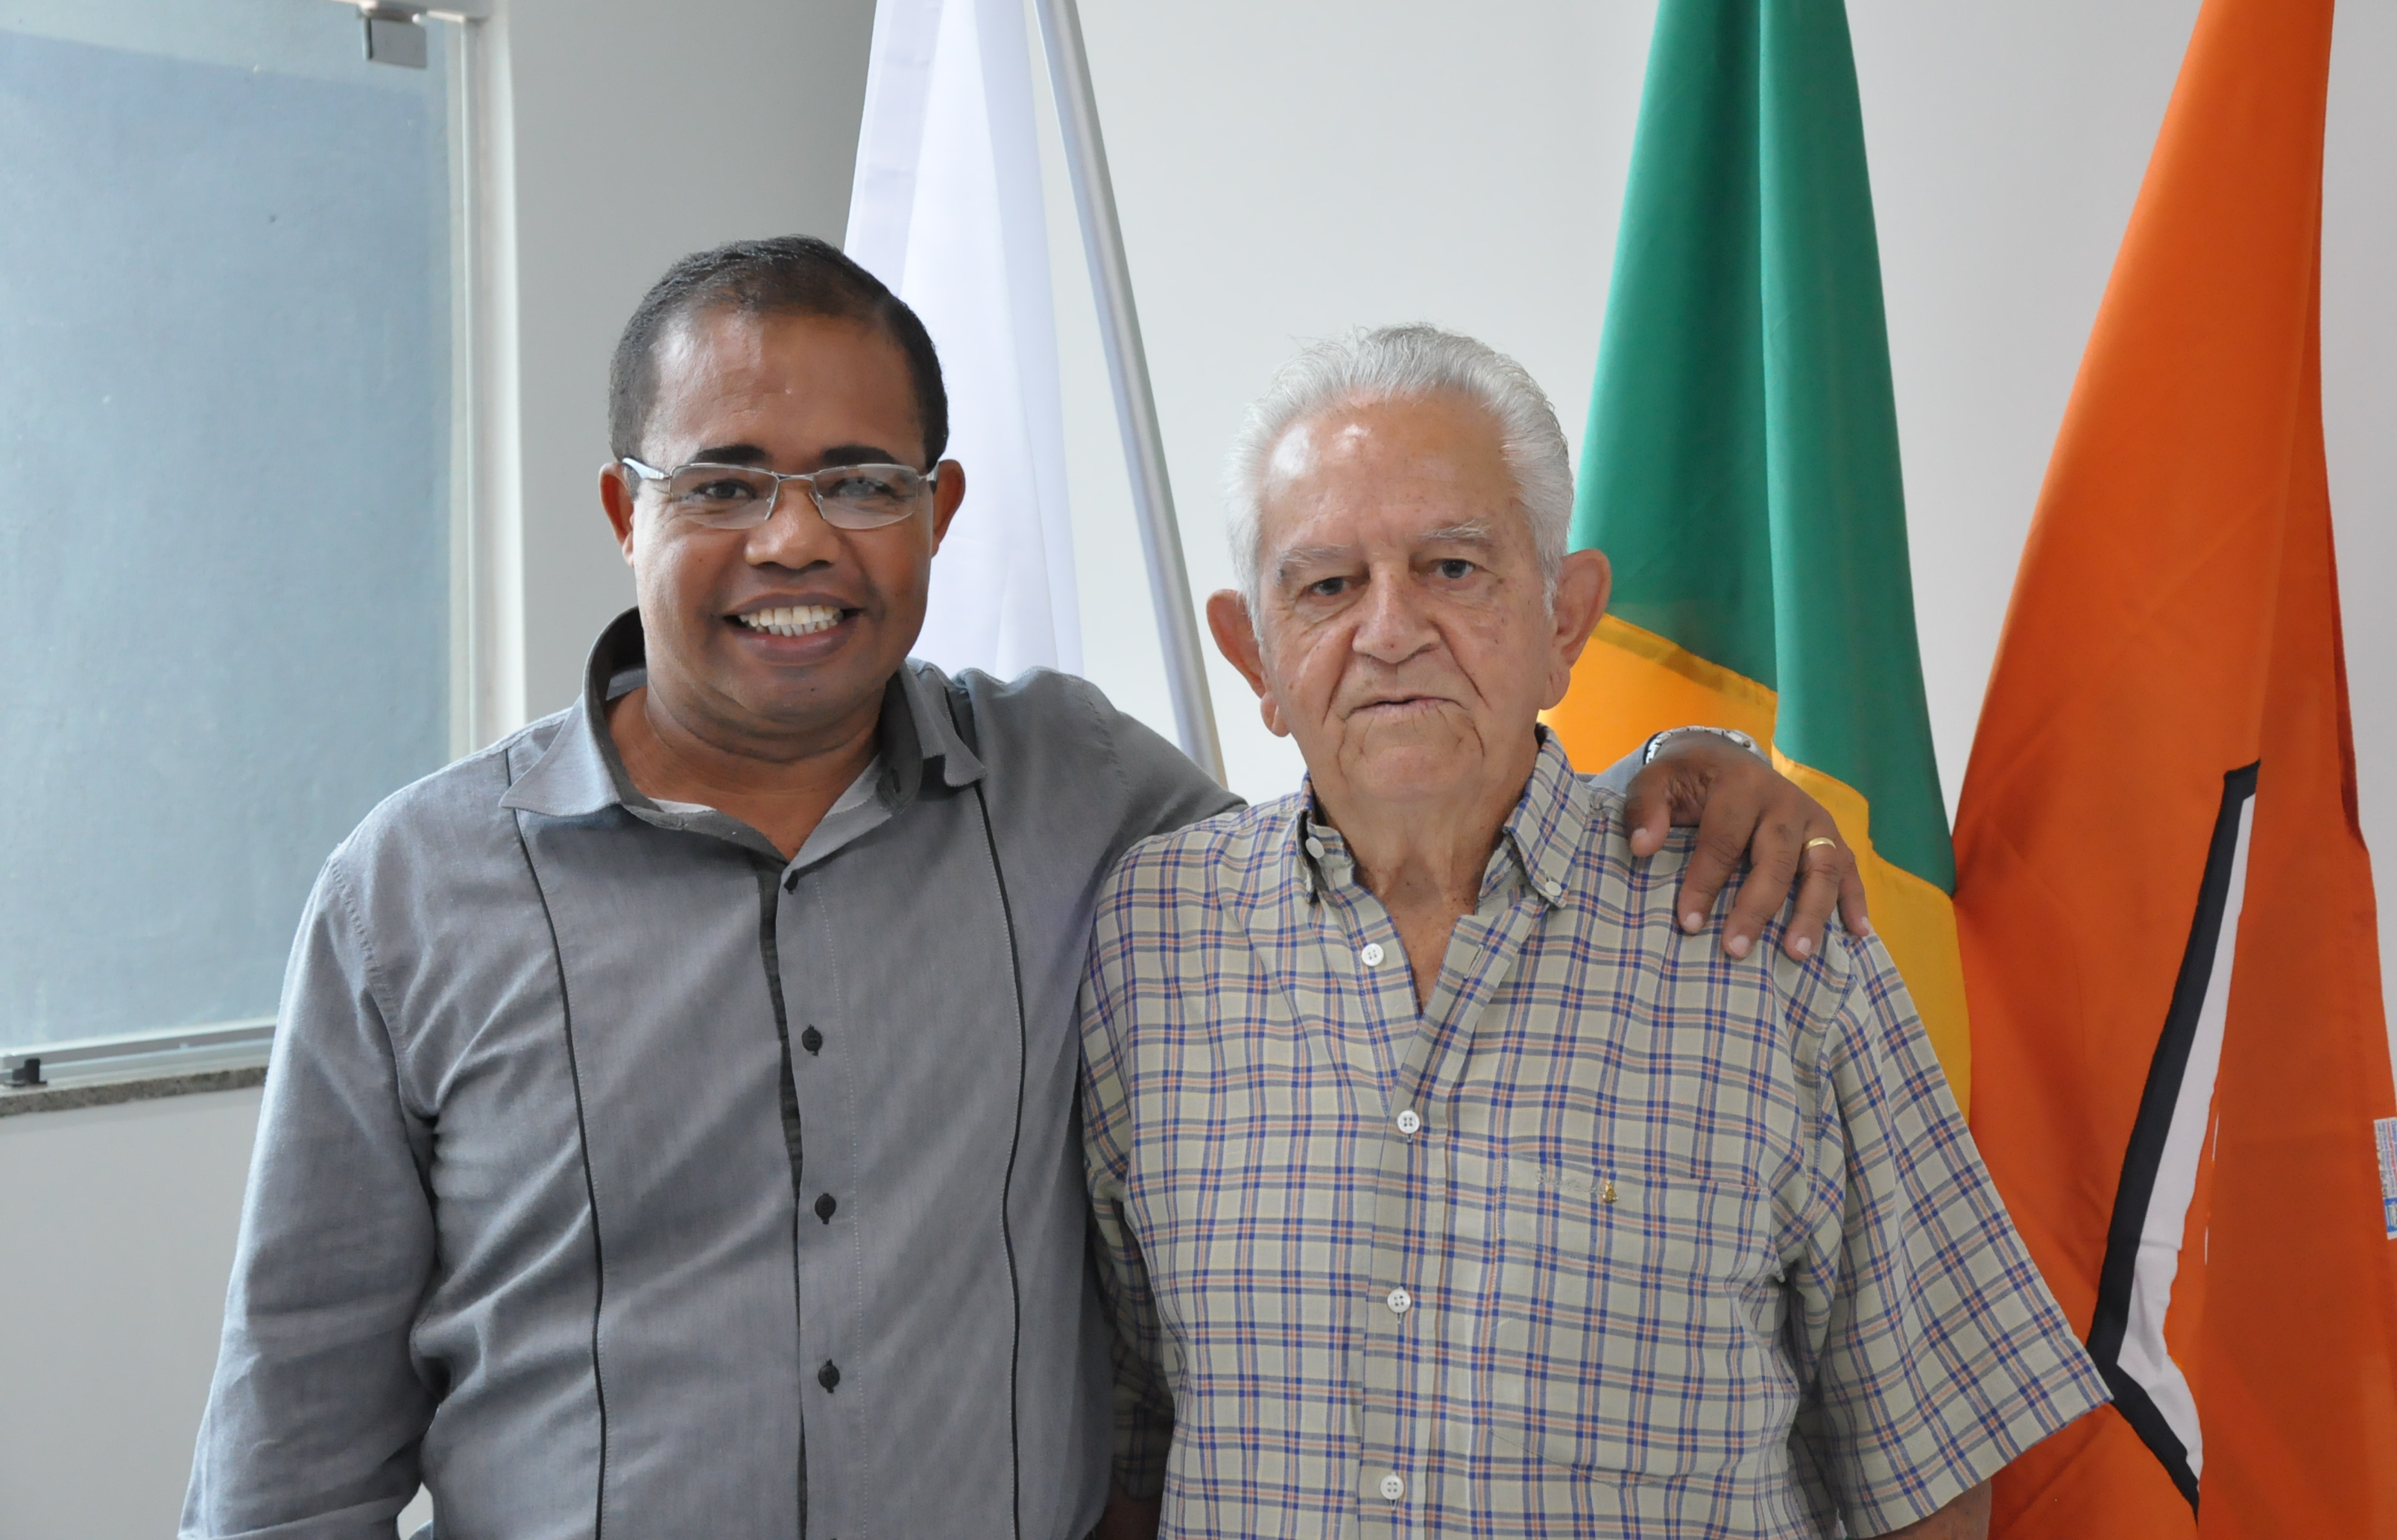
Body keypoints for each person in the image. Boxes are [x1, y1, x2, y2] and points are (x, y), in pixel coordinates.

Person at [183, 242, 1866, 1540]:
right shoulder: (411, 896)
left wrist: (1695, 762)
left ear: (939, 514)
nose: (794, 540)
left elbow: (1385, 814)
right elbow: (292, 1456)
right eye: (725, 483)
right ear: (628, 508)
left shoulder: (1080, 799)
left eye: (861, 481)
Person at [1080, 325, 2109, 1539]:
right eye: (1327, 587)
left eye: (1452, 567)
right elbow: (1133, 1435)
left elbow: (1928, 1470)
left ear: (1566, 619)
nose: (1390, 629)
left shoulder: (1775, 935)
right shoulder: (1150, 939)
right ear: (1254, 653)